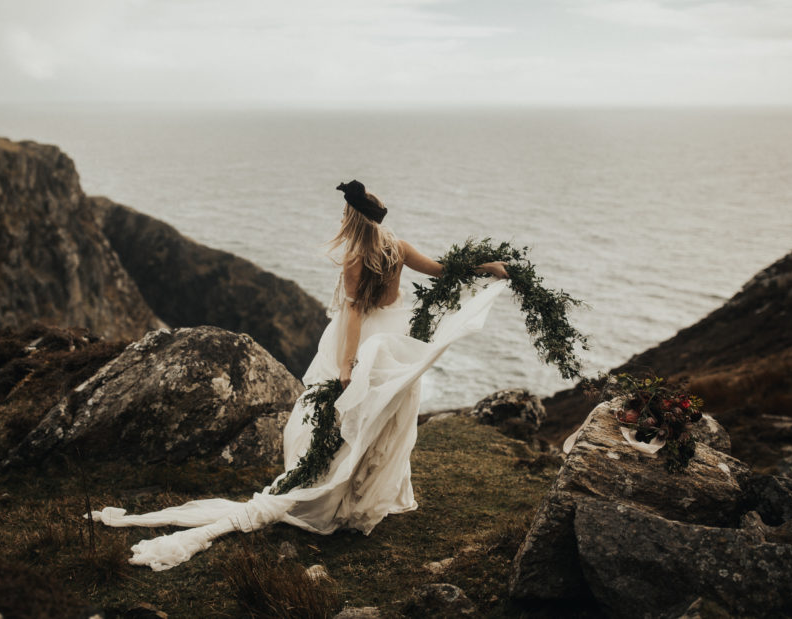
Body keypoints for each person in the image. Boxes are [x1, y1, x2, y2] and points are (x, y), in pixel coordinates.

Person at [89, 180, 511, 571]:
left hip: (364, 341)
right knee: (378, 418)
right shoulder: (397, 247)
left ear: (351, 220)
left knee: (334, 420)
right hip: (395, 336)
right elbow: (442, 270)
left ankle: (330, 496)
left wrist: (347, 365)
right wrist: (486, 267)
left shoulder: (354, 260)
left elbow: (353, 315)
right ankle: (356, 498)